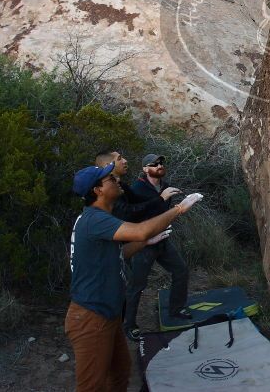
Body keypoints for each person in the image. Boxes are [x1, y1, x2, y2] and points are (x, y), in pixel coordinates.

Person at [65, 162, 202, 392]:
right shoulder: (95, 219)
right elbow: (141, 229)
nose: (117, 181)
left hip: (107, 314)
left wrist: (145, 243)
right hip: (91, 317)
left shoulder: (97, 219)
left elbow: (119, 252)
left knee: (119, 374)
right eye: (110, 180)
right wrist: (177, 210)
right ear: (97, 190)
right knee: (91, 386)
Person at [124, 153, 192, 341]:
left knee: (181, 270)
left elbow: (163, 214)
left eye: (161, 162)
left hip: (162, 240)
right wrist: (161, 200)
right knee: (137, 285)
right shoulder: (137, 189)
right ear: (145, 169)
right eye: (155, 164)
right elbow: (134, 213)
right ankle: (129, 325)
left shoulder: (166, 186)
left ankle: (176, 309)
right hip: (143, 244)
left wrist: (181, 208)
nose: (160, 165)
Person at [95, 150, 181, 223]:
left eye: (161, 163)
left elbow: (140, 202)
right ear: (108, 165)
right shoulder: (107, 189)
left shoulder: (122, 185)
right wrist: (161, 198)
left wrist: (175, 208)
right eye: (119, 159)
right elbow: (127, 213)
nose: (125, 161)